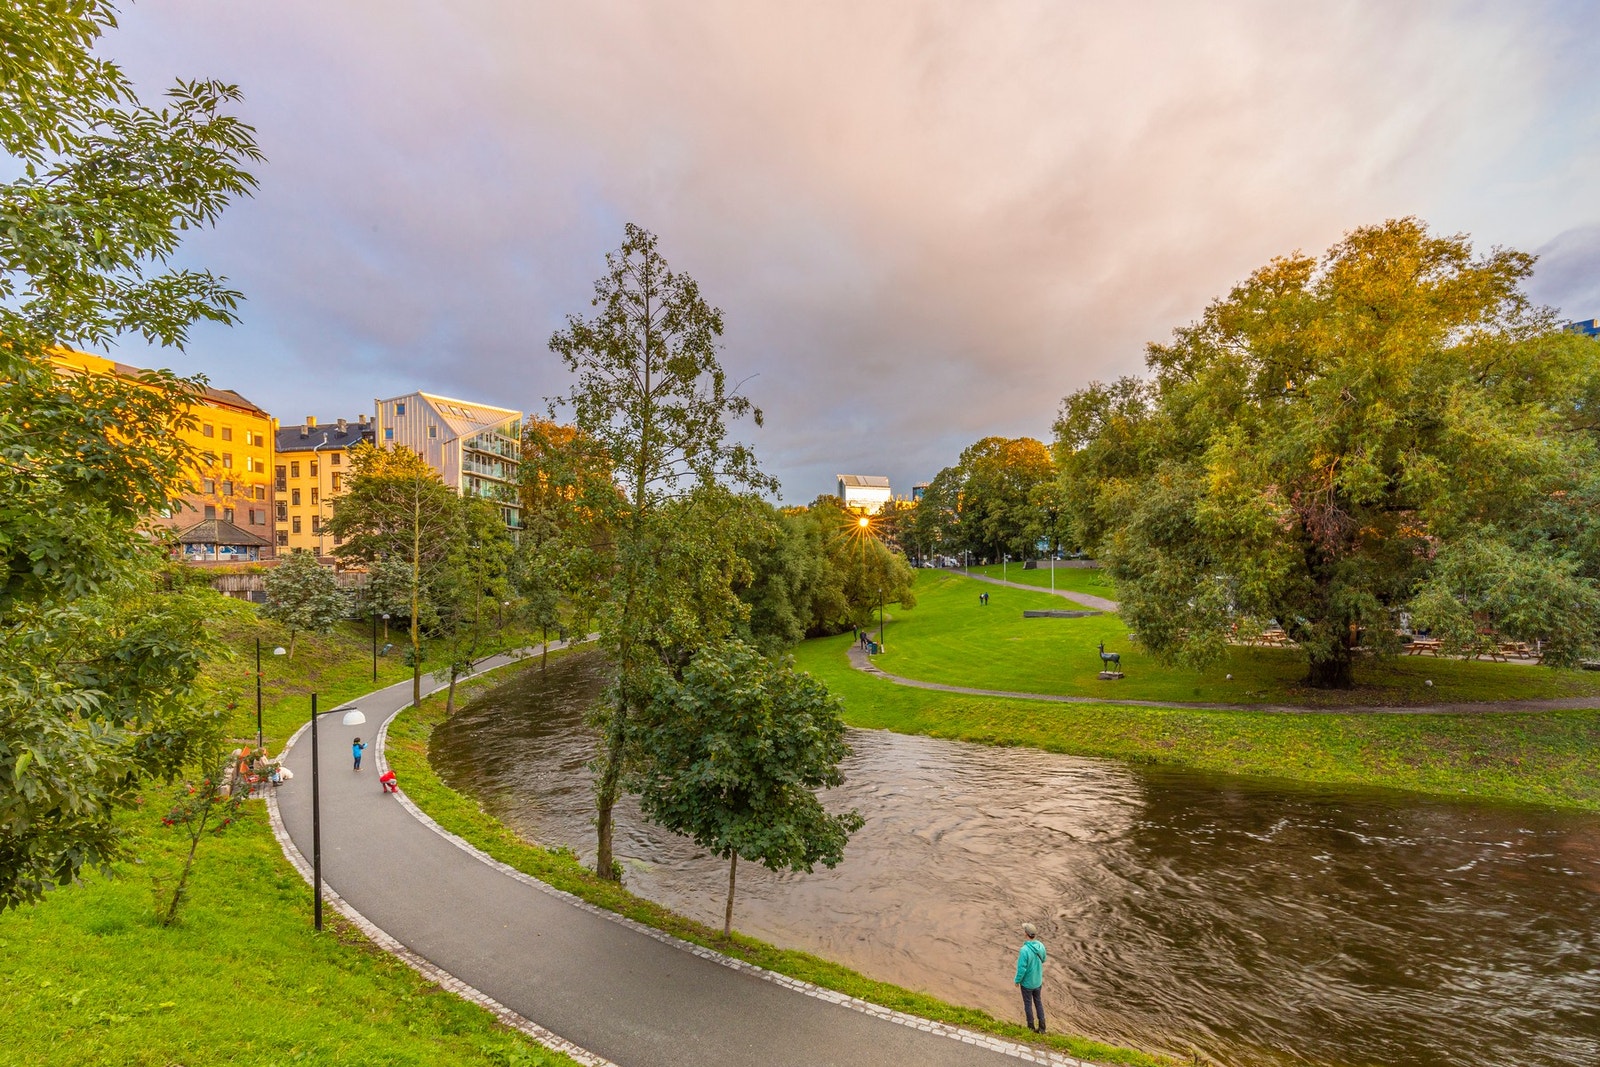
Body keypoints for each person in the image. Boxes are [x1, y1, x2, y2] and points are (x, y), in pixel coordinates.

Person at [1014, 922, 1047, 1034]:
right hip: (1038, 981)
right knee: (1038, 1003)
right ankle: (1042, 1028)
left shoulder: (1024, 950)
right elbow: (1044, 959)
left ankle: (1030, 1027)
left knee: (1028, 1004)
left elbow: (1021, 969)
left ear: (1026, 934)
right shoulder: (1041, 946)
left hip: (1027, 984)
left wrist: (1017, 981)